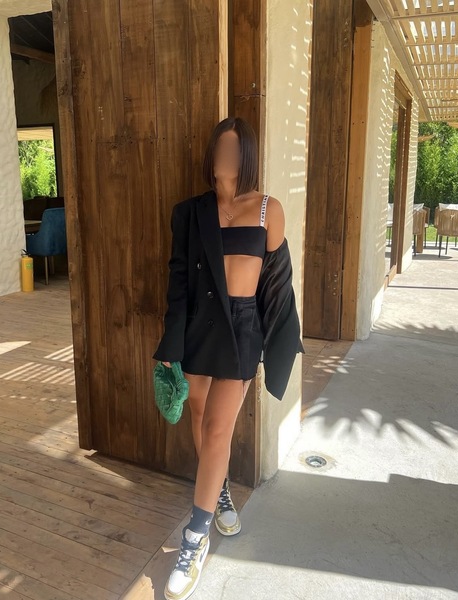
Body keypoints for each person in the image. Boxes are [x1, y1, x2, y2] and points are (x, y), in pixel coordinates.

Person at [153, 116, 303, 600]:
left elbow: (277, 283)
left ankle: (193, 540)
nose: (226, 156)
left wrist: (280, 342)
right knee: (198, 416)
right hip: (198, 326)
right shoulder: (190, 212)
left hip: (241, 330)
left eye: (235, 149)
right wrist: (170, 347)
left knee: (219, 428)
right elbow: (178, 284)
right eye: (221, 147)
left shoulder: (268, 210)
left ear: (248, 156)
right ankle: (217, 492)